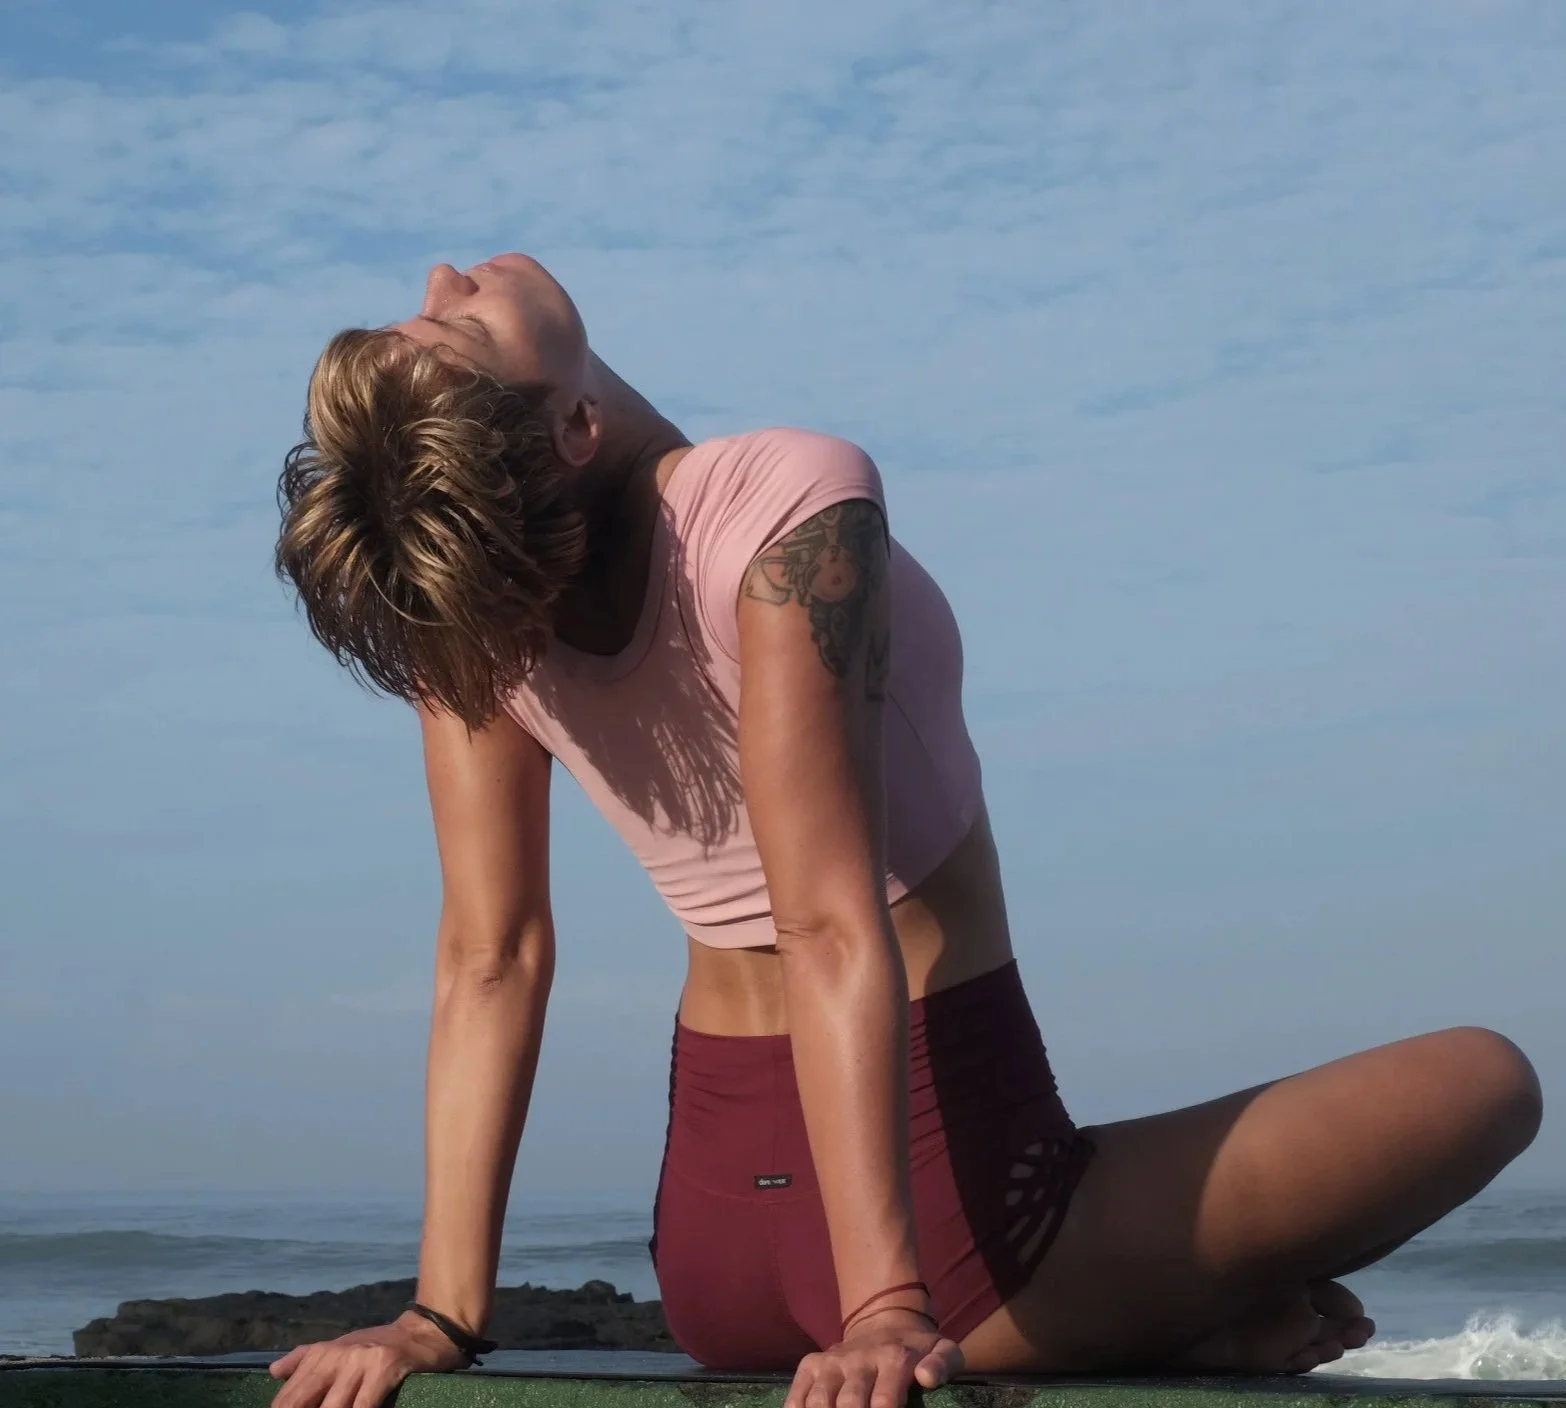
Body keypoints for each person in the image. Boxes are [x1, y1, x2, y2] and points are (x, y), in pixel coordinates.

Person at [266, 252, 1542, 1408]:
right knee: (1489, 1079)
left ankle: (1146, 1315)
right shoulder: (779, 499)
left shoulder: (468, 596)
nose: (447, 275)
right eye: (458, 322)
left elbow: (491, 957)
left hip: (715, 1257)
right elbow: (827, 916)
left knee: (1205, 1255)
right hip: (951, 1204)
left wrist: (441, 1314)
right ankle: (1119, 1317)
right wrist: (887, 1307)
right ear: (577, 425)